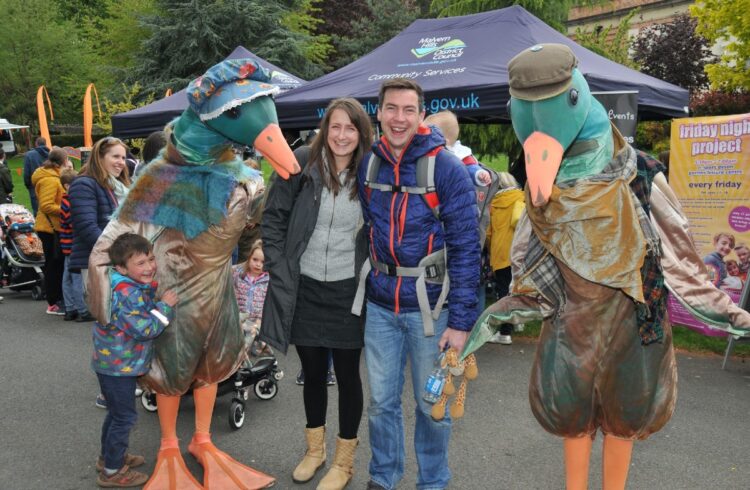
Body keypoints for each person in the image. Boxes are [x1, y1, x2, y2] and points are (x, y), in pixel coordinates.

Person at [357, 79, 480, 490]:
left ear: (421, 115)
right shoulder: (369, 165)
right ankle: (383, 478)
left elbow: (466, 247)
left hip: (431, 309)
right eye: (391, 108)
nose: (399, 118)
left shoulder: (444, 167)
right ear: (379, 112)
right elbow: (371, 227)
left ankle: (432, 482)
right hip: (380, 306)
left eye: (409, 110)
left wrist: (461, 323)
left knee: (433, 407)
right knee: (380, 404)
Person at [261, 97, 372, 490]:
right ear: (326, 128)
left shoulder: (372, 169)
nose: (342, 136)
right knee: (311, 374)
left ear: (361, 133)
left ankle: (343, 462)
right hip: (305, 286)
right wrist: (279, 264)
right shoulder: (302, 162)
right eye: (336, 127)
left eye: (351, 128)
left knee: (347, 376)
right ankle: (314, 451)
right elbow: (273, 217)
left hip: (349, 290)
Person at [92, 232, 177, 488]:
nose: (150, 266)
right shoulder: (126, 294)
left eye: (151, 259)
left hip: (112, 364)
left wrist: (149, 289)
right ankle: (112, 471)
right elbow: (145, 329)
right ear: (120, 267)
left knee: (116, 414)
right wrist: (165, 306)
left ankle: (109, 456)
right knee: (124, 418)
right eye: (141, 263)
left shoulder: (125, 284)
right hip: (119, 367)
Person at [68, 137, 130, 290]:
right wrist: (119, 254)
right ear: (99, 157)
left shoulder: (117, 186)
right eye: (115, 156)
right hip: (99, 260)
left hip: (120, 259)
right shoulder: (84, 184)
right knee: (106, 311)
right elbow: (87, 227)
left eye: (123, 157)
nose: (121, 162)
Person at [486, 172, 525, 344]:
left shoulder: (493, 204)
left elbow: (488, 233)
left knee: (503, 293)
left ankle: (504, 333)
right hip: (521, 253)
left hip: (501, 254)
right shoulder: (522, 198)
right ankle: (515, 322)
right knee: (515, 290)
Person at [32, 147, 69, 315]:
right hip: (49, 229)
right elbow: (46, 205)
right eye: (67, 160)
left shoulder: (54, 176)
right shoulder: (50, 179)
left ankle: (58, 298)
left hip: (54, 227)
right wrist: (66, 209)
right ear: (62, 161)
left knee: (57, 264)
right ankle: (54, 301)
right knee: (54, 265)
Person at [59, 168, 94, 322]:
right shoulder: (70, 202)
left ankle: (70, 307)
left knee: (67, 277)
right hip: (72, 244)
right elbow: (74, 223)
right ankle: (82, 310)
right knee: (76, 277)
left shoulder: (64, 200)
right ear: (67, 186)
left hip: (66, 244)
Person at [423, 111, 491, 186]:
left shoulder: (460, 154)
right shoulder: (426, 150)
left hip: (457, 193)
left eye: (429, 135)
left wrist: (479, 174)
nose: (424, 138)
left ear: (445, 141)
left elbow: (470, 168)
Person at [232, 239, 271, 358]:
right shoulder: (237, 273)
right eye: (255, 259)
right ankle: (240, 360)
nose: (258, 264)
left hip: (258, 320)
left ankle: (267, 360)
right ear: (249, 257)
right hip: (239, 317)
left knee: (257, 350)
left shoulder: (268, 280)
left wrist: (260, 319)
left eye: (263, 262)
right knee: (239, 347)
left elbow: (269, 304)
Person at [23, 137, 50, 215]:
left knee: (38, 211)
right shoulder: (51, 154)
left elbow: (26, 173)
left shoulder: (29, 155)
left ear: (36, 144)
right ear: (45, 144)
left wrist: (28, 185)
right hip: (48, 184)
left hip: (34, 185)